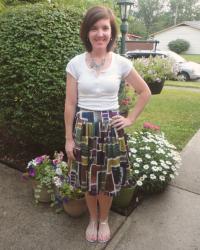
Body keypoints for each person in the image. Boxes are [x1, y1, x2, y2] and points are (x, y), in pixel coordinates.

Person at [64, 5, 151, 243]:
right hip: (84, 129)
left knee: (107, 181)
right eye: (94, 28)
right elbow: (70, 104)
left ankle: (104, 220)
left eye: (105, 28)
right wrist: (69, 138)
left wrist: (130, 118)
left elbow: (145, 91)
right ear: (87, 32)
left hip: (111, 130)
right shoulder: (75, 64)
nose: (100, 33)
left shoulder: (121, 63)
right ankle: (93, 218)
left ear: (112, 32)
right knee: (88, 181)